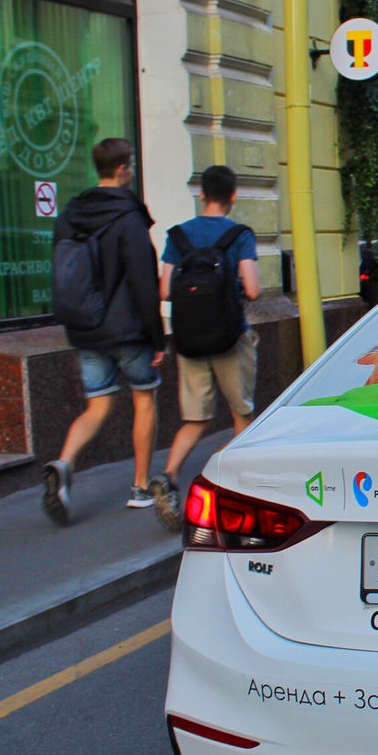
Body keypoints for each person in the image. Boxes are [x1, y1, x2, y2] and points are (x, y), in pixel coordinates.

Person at [41, 138, 165, 525]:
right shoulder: (129, 216)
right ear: (123, 169)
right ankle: (140, 488)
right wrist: (157, 337)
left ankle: (64, 463)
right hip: (128, 330)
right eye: (131, 164)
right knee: (144, 400)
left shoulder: (71, 214)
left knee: (97, 406)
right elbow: (143, 280)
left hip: (85, 327)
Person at [148, 165, 260, 531]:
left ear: (201, 195)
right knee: (241, 414)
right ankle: (235, 488)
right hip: (230, 338)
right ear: (233, 196)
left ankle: (168, 476)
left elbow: (165, 290)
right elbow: (253, 289)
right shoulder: (239, 235)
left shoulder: (178, 236)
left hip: (189, 339)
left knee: (195, 418)